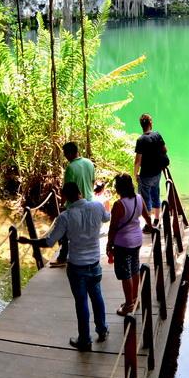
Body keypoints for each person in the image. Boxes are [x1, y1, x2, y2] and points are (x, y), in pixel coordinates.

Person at [19, 181, 111, 351]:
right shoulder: (97, 207)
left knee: (81, 302)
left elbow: (49, 241)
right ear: (80, 193)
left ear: (66, 198)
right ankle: (102, 329)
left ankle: (85, 339)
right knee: (97, 297)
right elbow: (107, 217)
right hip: (95, 263)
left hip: (77, 266)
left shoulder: (66, 217)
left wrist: (28, 241)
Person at [106, 174, 147, 316]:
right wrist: (153, 229)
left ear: (119, 188)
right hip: (137, 240)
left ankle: (129, 305)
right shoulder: (139, 198)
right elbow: (147, 217)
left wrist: (109, 244)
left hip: (123, 243)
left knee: (125, 274)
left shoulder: (119, 205)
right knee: (135, 269)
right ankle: (135, 299)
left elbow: (113, 227)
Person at [53, 142, 96, 267]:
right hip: (89, 201)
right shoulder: (89, 163)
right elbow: (92, 181)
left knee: (64, 232)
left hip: (74, 204)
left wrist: (62, 205)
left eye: (66, 154)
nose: (65, 156)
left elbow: (66, 189)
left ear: (70, 153)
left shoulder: (71, 167)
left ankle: (62, 258)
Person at [133, 114, 169, 226]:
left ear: (141, 125)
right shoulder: (157, 135)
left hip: (145, 175)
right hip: (157, 172)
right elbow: (165, 150)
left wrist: (135, 174)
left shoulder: (140, 140)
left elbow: (137, 161)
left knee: (145, 200)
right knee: (155, 195)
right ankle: (157, 219)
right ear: (150, 123)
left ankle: (149, 224)